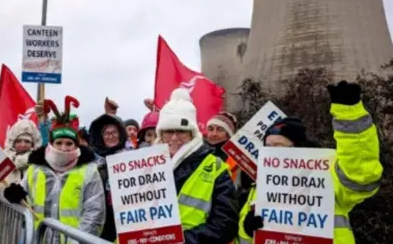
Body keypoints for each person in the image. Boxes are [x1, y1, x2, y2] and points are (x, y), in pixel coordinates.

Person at [238, 81, 383, 244]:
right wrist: (247, 228)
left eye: (279, 146)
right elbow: (243, 239)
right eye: (268, 147)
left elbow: (360, 173)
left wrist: (349, 115)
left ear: (298, 148)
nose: (273, 153)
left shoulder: (324, 175)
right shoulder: (261, 186)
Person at [3, 96, 106, 243]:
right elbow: (24, 205)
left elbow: (94, 212)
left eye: (69, 143)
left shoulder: (89, 170)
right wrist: (15, 196)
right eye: (59, 142)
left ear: (76, 146)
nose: (63, 148)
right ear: (51, 144)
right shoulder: (35, 169)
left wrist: (78, 241)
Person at [156, 88, 239, 244]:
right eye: (167, 131)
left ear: (192, 134)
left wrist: (182, 241)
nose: (174, 138)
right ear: (160, 134)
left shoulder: (216, 167)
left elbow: (226, 225)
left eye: (181, 131)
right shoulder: (144, 167)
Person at [89, 97, 128, 241]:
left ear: (121, 135)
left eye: (114, 132)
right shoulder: (94, 163)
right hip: (104, 219)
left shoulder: (133, 158)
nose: (111, 136)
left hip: (127, 216)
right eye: (106, 133)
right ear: (101, 138)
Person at [206, 112, 239, 183]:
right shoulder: (197, 154)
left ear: (228, 135)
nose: (214, 134)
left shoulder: (237, 159)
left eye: (220, 130)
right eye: (211, 129)